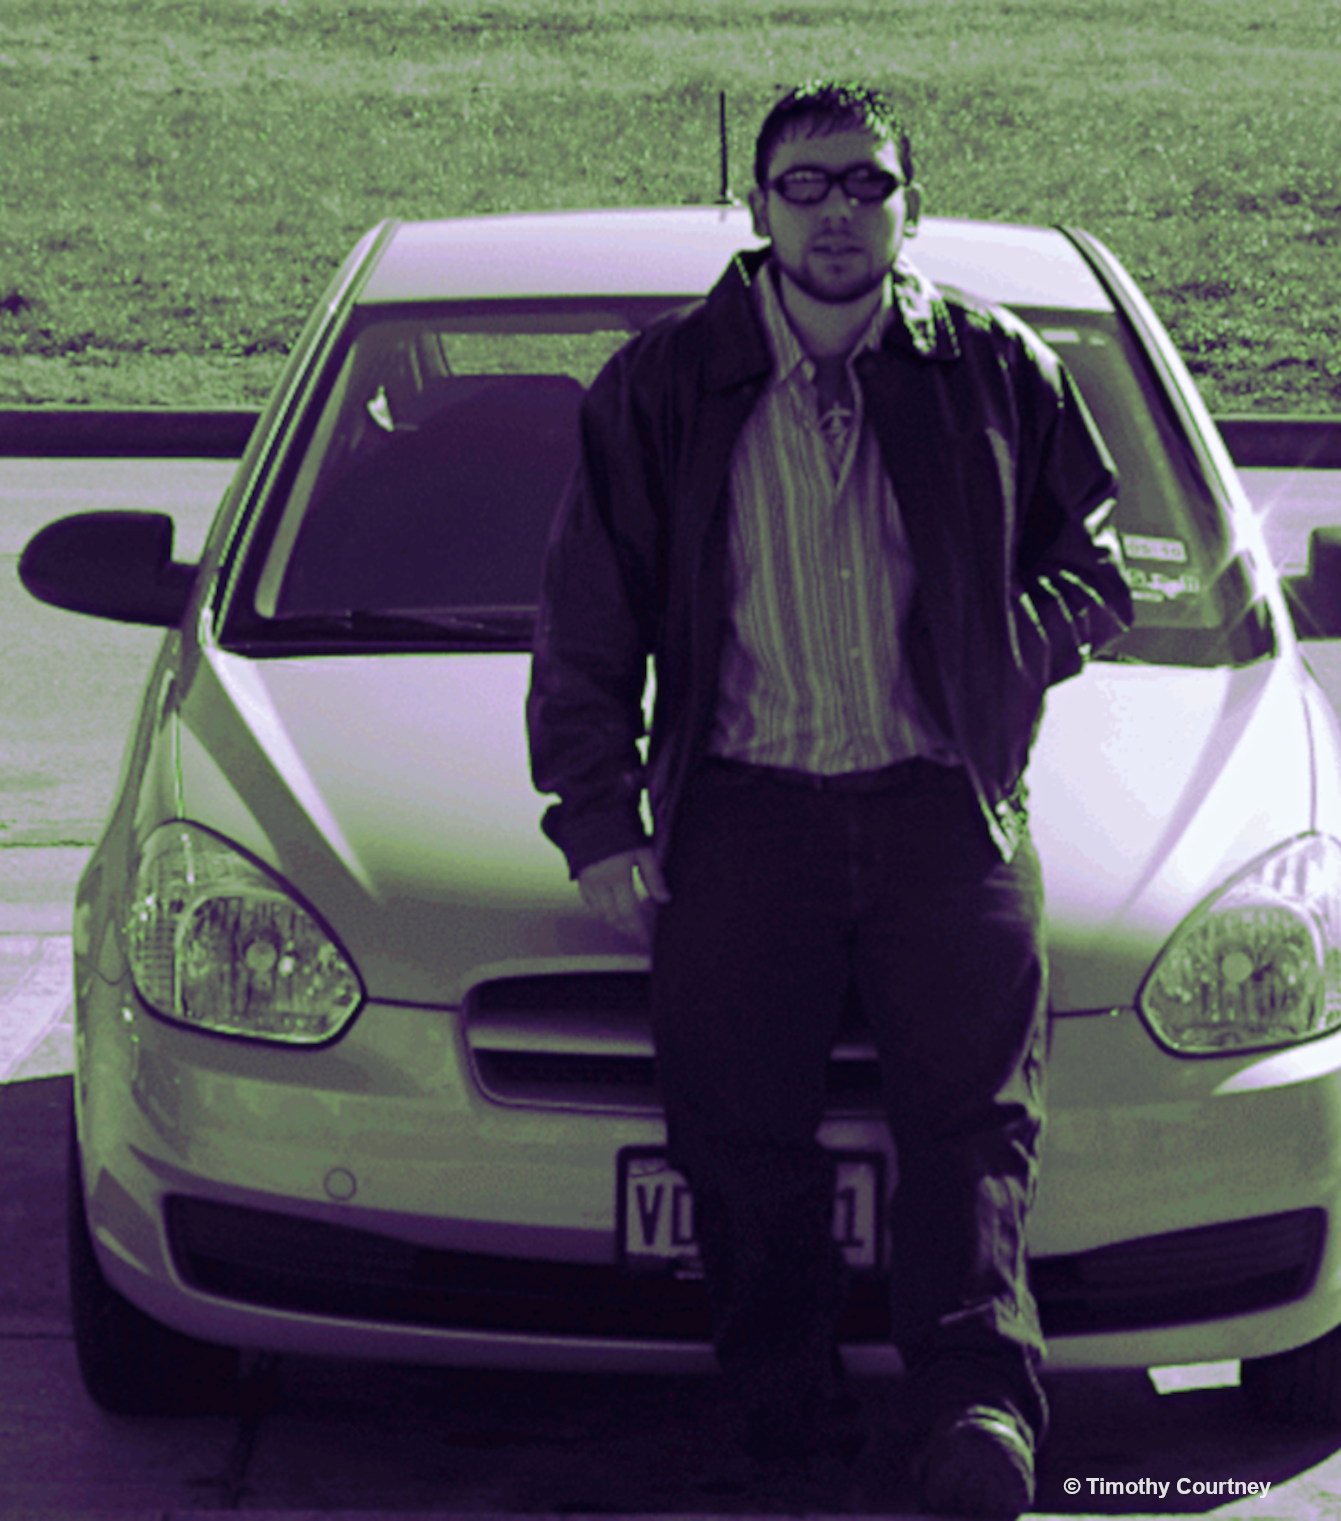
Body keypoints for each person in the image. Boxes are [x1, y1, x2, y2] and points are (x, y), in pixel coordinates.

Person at [526, 80, 1133, 1518]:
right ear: (756, 209)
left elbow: (1094, 565)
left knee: (973, 1131)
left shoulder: (995, 367)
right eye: (807, 185)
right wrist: (599, 816)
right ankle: (785, 1418)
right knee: (739, 1141)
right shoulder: (666, 385)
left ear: (908, 203)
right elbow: (589, 620)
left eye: (867, 182)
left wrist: (999, 646)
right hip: (745, 817)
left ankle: (974, 1413)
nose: (839, 211)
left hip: (946, 814)